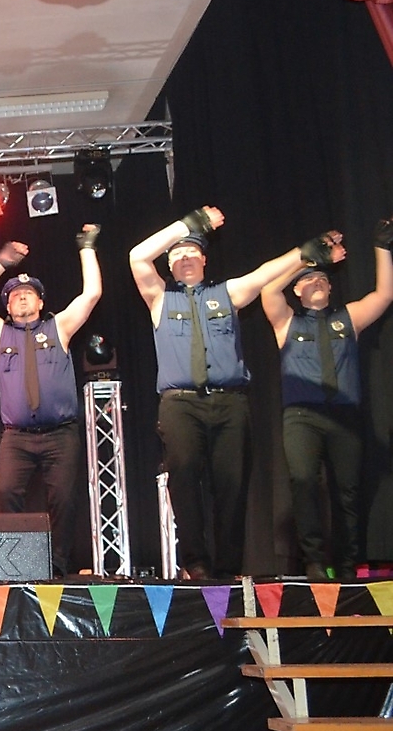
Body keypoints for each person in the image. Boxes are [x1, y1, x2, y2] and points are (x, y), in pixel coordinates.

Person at [128, 206, 344, 579]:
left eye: (192, 251)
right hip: (180, 404)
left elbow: (264, 274)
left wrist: (304, 253)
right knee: (184, 478)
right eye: (177, 254)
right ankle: (195, 562)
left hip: (229, 402)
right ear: (169, 265)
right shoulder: (159, 297)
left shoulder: (226, 293)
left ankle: (228, 567)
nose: (185, 257)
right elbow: (137, 256)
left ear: (204, 259)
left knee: (232, 485)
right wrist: (188, 225)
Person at [0, 227, 102, 575]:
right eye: (15, 295)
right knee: (7, 492)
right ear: (7, 306)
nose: (22, 298)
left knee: (63, 500)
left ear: (41, 303)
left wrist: (86, 248)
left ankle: (57, 567)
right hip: (17, 437)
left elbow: (92, 294)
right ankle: (19, 565)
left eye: (29, 294)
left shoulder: (60, 327)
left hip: (60, 434)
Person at [260, 217, 393, 580]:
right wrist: (308, 258)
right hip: (301, 417)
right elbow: (269, 290)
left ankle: (347, 565)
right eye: (308, 280)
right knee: (303, 483)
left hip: (344, 415)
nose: (316, 282)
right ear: (297, 290)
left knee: (347, 492)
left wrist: (382, 247)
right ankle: (315, 561)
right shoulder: (286, 322)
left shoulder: (348, 318)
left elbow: (384, 295)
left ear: (331, 287)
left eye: (322, 278)